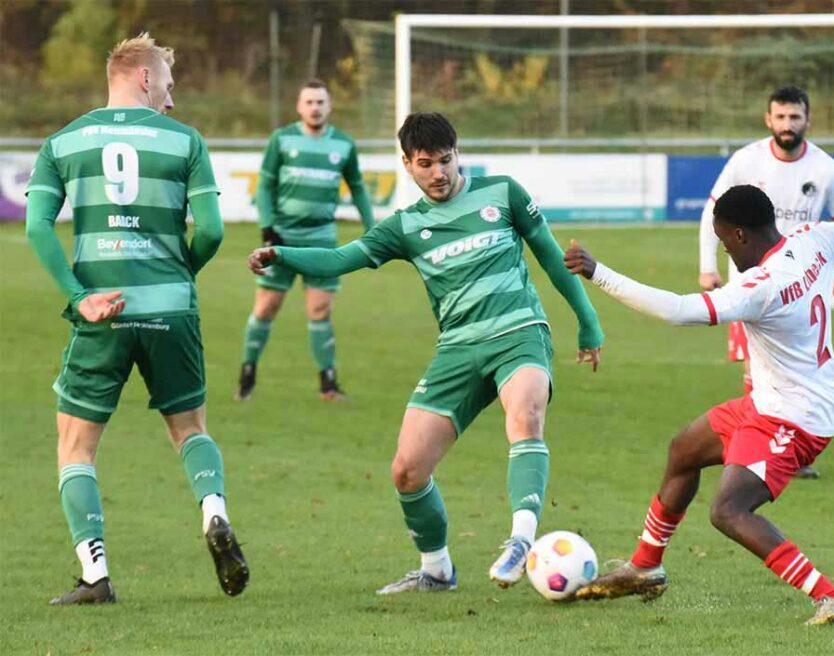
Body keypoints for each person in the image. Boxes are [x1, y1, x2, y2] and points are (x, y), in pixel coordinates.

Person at [564, 185, 834, 624]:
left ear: (741, 235)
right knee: (684, 450)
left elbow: (676, 310)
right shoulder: (814, 238)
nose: (726, 250)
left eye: (724, 240)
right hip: (767, 403)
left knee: (728, 510)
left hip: (796, 418)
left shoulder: (758, 287)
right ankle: (646, 566)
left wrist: (598, 272)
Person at [247, 112, 604, 593]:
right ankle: (436, 569)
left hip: (519, 331)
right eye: (425, 163)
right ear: (408, 166)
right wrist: (282, 254)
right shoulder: (406, 226)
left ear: (459, 153)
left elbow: (551, 256)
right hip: (457, 348)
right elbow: (339, 259)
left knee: (525, 415)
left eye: (445, 160)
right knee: (407, 470)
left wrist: (588, 321)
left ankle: (521, 540)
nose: (438, 172)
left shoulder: (503, 193)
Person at [25, 32, 248, 605]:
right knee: (191, 429)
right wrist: (180, 273)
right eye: (168, 86)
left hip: (101, 312)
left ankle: (96, 575)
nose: (172, 101)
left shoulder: (63, 142)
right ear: (145, 78)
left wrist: (79, 296)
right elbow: (216, 232)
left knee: (75, 448)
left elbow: (36, 228)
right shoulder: (186, 141)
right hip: (171, 307)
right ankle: (213, 514)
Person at [699, 86, 834, 479]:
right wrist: (707, 264)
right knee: (757, 365)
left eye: (795, 117)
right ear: (768, 119)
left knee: (799, 362)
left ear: (808, 119)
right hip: (752, 282)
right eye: (781, 117)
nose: (788, 125)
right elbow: (713, 211)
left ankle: (777, 444)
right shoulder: (746, 160)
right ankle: (763, 443)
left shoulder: (824, 168)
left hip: (803, 282)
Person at [235, 79, 376, 402]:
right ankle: (247, 374)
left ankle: (328, 384)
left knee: (320, 309)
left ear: (330, 107)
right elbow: (265, 185)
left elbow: (356, 187)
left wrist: (372, 227)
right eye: (309, 102)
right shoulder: (282, 140)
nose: (315, 107)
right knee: (267, 306)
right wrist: (267, 227)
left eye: (320, 102)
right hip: (282, 239)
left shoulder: (343, 145)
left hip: (322, 239)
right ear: (299, 107)